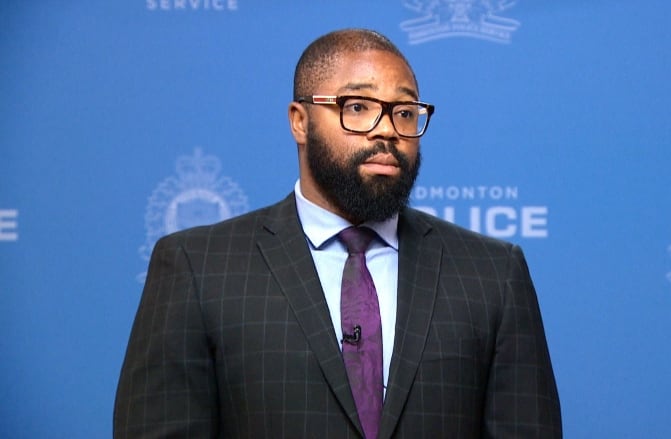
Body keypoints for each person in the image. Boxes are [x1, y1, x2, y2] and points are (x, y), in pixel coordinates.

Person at [114, 28, 561, 438]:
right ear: (299, 121)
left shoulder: (491, 274)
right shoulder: (199, 266)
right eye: (358, 108)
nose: (387, 129)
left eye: (405, 112)